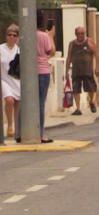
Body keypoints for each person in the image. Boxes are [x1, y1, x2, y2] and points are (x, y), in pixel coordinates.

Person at [65, 26, 99, 115]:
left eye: (83, 33)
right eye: (79, 33)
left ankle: (92, 101)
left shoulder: (89, 42)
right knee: (76, 90)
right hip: (76, 71)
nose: (81, 35)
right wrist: (66, 70)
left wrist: (97, 67)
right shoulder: (72, 44)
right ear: (76, 34)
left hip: (88, 70)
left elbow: (96, 54)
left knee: (91, 88)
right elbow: (69, 57)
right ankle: (78, 108)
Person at [35, 15, 55, 143]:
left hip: (27, 73)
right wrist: (51, 37)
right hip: (42, 71)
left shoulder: (24, 35)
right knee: (40, 103)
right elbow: (51, 51)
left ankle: (20, 132)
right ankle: (41, 134)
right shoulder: (44, 36)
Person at [1, 24, 20, 138]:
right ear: (6, 36)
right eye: (9, 35)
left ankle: (16, 127)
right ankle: (9, 124)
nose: (12, 37)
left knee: (17, 103)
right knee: (9, 100)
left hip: (17, 80)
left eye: (14, 35)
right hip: (4, 80)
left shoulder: (20, 50)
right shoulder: (1, 48)